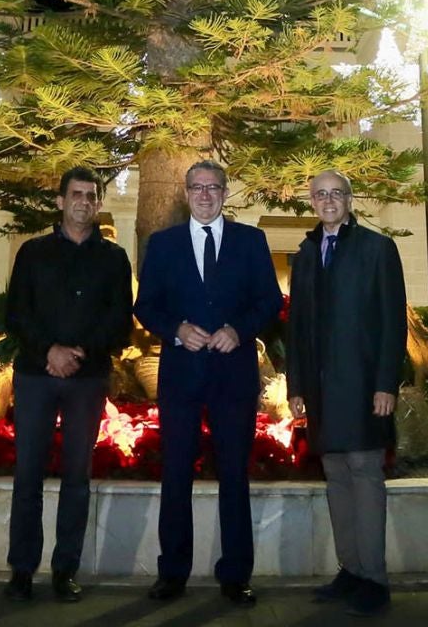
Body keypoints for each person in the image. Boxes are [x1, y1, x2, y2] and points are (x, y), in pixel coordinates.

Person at [134, 160, 282, 607]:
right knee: (175, 472)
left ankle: (235, 574)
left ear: (224, 192)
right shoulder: (163, 244)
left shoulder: (251, 241)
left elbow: (270, 301)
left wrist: (239, 329)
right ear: (186, 192)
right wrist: (176, 329)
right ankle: (172, 572)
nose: (204, 195)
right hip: (181, 374)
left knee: (234, 474)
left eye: (213, 187)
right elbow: (146, 307)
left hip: (233, 375)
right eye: (197, 188)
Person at [0, 168, 134, 603]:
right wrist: (49, 353)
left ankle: (65, 570)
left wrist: (77, 354)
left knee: (77, 477)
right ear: (60, 202)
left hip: (87, 379)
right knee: (28, 476)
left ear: (98, 204)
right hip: (36, 377)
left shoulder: (114, 259)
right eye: (75, 195)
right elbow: (17, 314)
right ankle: (22, 570)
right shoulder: (32, 253)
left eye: (91, 196)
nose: (83, 202)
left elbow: (119, 324)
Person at [287, 170, 407, 618]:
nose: (329, 201)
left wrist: (385, 384)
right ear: (312, 202)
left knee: (365, 474)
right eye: (321, 195)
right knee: (336, 476)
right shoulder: (303, 254)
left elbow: (392, 323)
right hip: (319, 391)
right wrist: (295, 385)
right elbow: (296, 326)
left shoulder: (377, 249)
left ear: (349, 199)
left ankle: (374, 578)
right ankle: (351, 570)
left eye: (337, 193)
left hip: (363, 386)